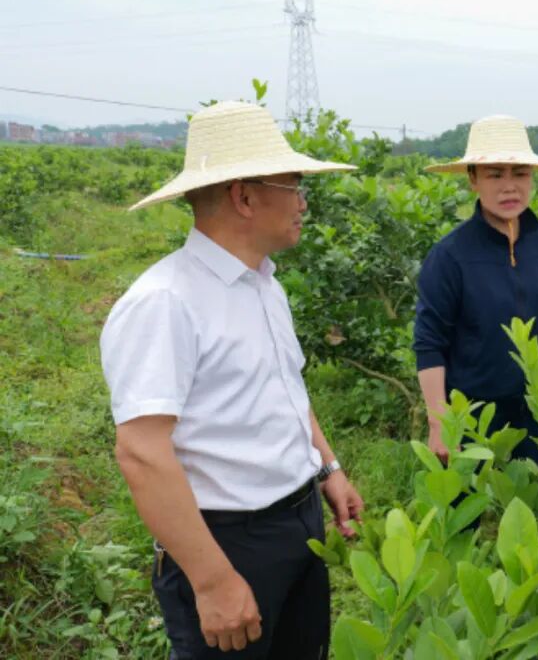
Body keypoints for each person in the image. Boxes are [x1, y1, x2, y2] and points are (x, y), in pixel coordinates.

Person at [100, 101, 364, 659]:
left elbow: (285, 390)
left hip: (298, 523)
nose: (303, 201)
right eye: (292, 185)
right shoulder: (165, 302)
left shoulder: (266, 285)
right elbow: (142, 452)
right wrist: (213, 580)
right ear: (244, 196)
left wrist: (327, 467)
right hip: (226, 541)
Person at [414, 115, 538, 468]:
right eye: (495, 174)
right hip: (473, 413)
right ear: (473, 179)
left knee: (534, 509)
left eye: (519, 174)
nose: (509, 187)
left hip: (535, 403)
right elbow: (429, 344)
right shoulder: (450, 256)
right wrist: (439, 422)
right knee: (463, 512)